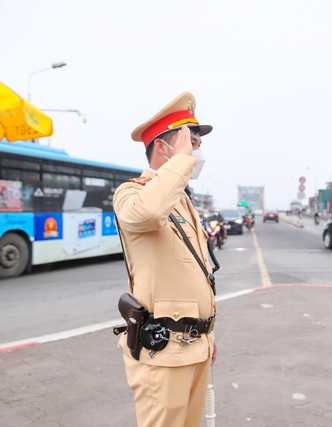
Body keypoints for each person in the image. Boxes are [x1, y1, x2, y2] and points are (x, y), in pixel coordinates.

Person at [113, 92, 217, 427]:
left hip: (195, 346)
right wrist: (181, 163)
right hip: (163, 350)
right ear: (163, 147)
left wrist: (208, 337)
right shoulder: (132, 193)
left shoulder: (183, 201)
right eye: (190, 141)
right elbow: (146, 215)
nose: (196, 152)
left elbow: (194, 276)